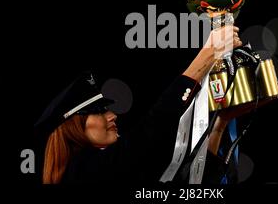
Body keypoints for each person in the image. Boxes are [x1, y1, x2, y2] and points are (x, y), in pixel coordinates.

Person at [35, 25, 253, 184]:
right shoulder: (82, 173)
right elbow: (150, 129)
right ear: (72, 127)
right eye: (98, 112)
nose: (112, 116)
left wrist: (221, 123)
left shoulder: (115, 168)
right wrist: (207, 54)